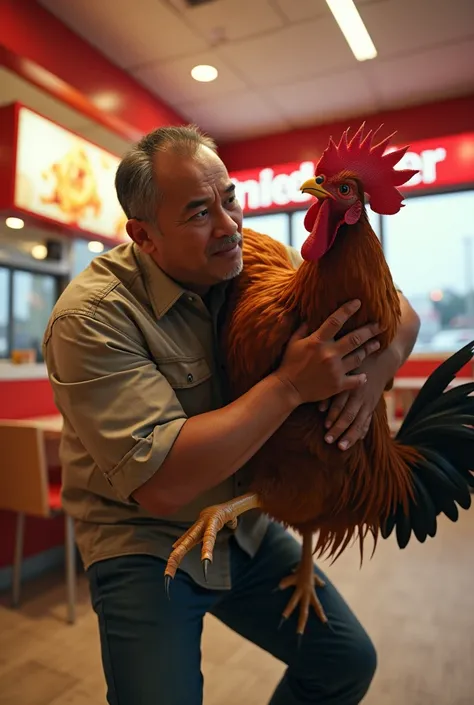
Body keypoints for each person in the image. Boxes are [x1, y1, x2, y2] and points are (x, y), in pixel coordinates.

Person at [43, 125, 420, 705]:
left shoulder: (245, 254)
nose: (229, 225)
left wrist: (368, 379)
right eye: (199, 212)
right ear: (143, 235)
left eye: (230, 199)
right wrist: (292, 384)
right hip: (144, 541)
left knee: (344, 662)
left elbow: (398, 311)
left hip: (244, 518)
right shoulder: (92, 319)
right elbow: (163, 485)